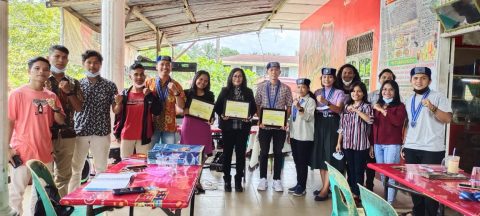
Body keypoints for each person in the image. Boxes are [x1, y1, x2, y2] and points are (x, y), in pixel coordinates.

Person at [8, 57, 65, 215]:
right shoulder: (17, 94)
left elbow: (60, 120)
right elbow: (9, 122)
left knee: (41, 194)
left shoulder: (51, 96)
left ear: (49, 72)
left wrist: (55, 109)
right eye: (37, 68)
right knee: (16, 194)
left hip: (44, 152)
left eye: (45, 69)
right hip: (21, 151)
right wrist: (6, 148)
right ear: (29, 71)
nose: (41, 72)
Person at [402, 67, 452, 216]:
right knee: (414, 186)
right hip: (411, 147)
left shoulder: (439, 97)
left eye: (423, 78)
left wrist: (432, 107)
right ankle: (418, 213)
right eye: (416, 78)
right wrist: (404, 144)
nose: (419, 81)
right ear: (411, 80)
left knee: (431, 187)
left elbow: (448, 119)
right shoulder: (409, 99)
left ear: (429, 80)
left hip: (432, 148)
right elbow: (408, 122)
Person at [69, 50, 121, 192]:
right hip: (81, 131)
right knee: (76, 168)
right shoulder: (75, 84)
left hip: (101, 131)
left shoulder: (109, 85)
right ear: (83, 64)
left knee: (101, 168)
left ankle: (100, 198)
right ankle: (72, 198)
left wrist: (119, 103)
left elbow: (115, 110)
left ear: (100, 65)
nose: (92, 65)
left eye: (96, 62)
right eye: (89, 62)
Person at [45, 45, 84, 197]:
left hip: (67, 133)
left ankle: (59, 209)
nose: (61, 60)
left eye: (64, 57)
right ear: (49, 58)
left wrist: (69, 92)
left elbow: (79, 108)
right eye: (57, 56)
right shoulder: (41, 79)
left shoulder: (73, 82)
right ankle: (42, 210)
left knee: (63, 176)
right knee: (44, 177)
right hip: (44, 134)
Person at [214, 68, 256, 192]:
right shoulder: (224, 90)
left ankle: (238, 180)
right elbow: (217, 107)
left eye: (240, 76)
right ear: (231, 78)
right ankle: (227, 179)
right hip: (228, 129)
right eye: (235, 76)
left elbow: (253, 108)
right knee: (227, 155)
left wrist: (249, 116)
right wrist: (222, 115)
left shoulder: (248, 91)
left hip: (242, 129)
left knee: (240, 155)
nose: (237, 78)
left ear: (243, 78)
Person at [255, 62, 293, 192]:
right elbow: (257, 105)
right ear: (267, 71)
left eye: (276, 70)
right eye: (271, 70)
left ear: (280, 72)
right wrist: (260, 120)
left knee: (278, 152)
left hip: (279, 127)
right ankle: (262, 179)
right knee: (264, 152)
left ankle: (277, 180)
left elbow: (289, 106)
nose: (274, 72)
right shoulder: (260, 88)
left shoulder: (286, 88)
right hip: (264, 126)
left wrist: (284, 121)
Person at [310, 67, 345, 201]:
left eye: (330, 77)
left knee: (330, 155)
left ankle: (326, 189)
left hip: (332, 123)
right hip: (319, 123)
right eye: (324, 77)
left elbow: (339, 109)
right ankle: (324, 185)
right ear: (321, 79)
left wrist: (327, 102)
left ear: (334, 79)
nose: (327, 79)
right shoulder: (317, 91)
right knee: (321, 155)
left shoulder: (339, 92)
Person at [114, 63, 161, 159]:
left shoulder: (151, 94)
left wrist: (149, 96)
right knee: (125, 166)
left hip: (144, 137)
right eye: (136, 74)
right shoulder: (124, 94)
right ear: (130, 76)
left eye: (141, 74)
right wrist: (118, 103)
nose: (139, 77)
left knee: (143, 166)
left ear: (145, 76)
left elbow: (157, 111)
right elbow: (117, 112)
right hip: (126, 135)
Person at [336, 82, 374, 199]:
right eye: (353, 91)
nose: (355, 93)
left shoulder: (367, 106)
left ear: (363, 93)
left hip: (361, 145)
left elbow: (370, 120)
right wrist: (338, 143)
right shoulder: (346, 108)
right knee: (350, 170)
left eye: (359, 91)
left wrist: (357, 110)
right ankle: (351, 192)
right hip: (347, 144)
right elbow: (341, 127)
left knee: (359, 170)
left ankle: (358, 194)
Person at [372, 80, 407, 204]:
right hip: (378, 144)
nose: (387, 92)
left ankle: (389, 203)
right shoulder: (378, 105)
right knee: (382, 174)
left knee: (391, 174)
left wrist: (382, 110)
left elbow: (397, 121)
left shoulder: (400, 106)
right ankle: (388, 197)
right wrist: (372, 144)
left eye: (391, 89)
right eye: (384, 89)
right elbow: (374, 125)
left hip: (392, 144)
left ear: (395, 92)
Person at [365, 68, 396, 191]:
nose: (386, 79)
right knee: (371, 163)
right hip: (372, 133)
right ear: (379, 79)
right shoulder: (371, 95)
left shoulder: (397, 98)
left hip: (389, 138)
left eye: (390, 78)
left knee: (388, 168)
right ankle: (369, 187)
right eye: (384, 77)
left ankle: (388, 193)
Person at [145, 55, 185, 145]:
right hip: (152, 125)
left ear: (171, 67)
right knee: (151, 153)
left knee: (169, 154)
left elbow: (182, 106)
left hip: (169, 126)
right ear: (156, 67)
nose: (165, 67)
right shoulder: (149, 83)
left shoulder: (176, 85)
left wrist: (176, 92)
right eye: (162, 64)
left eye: (168, 64)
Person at [287, 78, 316, 196]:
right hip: (295, 135)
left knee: (302, 162)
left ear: (308, 88)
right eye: (299, 87)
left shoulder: (311, 101)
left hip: (305, 137)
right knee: (297, 161)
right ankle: (299, 183)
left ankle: (302, 187)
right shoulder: (296, 100)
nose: (301, 89)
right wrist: (289, 133)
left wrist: (299, 107)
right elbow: (292, 119)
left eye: (303, 87)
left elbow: (308, 117)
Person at [181, 70, 215, 156]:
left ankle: (200, 170)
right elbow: (178, 109)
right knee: (187, 153)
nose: (203, 82)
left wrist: (212, 119)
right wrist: (184, 111)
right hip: (189, 126)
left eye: (206, 81)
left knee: (202, 154)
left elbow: (212, 112)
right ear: (195, 78)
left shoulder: (210, 95)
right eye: (201, 79)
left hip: (203, 127)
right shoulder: (186, 92)